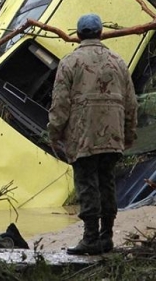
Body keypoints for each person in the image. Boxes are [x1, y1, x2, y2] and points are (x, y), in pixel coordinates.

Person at [47, 13, 138, 256]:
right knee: (107, 182)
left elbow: (60, 104)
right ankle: (106, 237)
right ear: (101, 34)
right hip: (113, 137)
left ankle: (90, 238)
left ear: (78, 36)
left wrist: (54, 133)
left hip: (83, 137)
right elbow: (131, 103)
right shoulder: (118, 62)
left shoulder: (69, 63)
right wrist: (128, 134)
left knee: (87, 184)